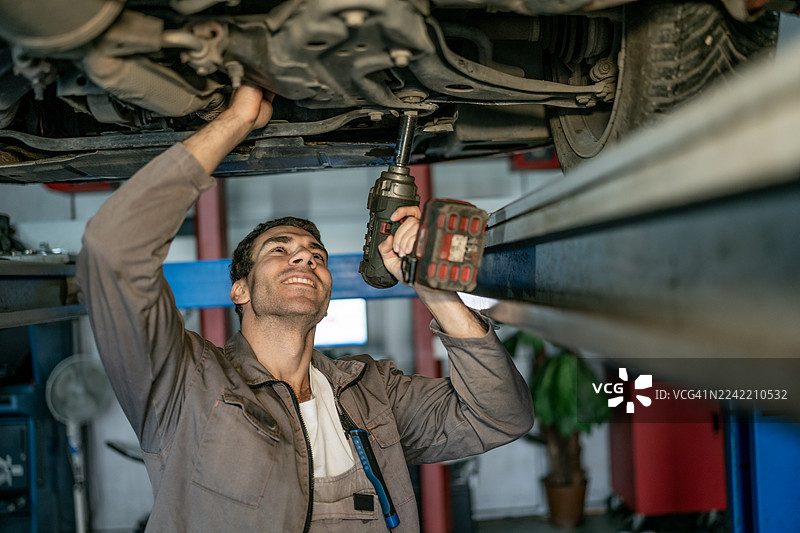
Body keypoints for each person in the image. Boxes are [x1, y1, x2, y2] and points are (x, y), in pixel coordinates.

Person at [77, 84, 534, 532]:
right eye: (280, 250)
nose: (306, 257)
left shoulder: (372, 391)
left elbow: (501, 417)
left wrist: (434, 291)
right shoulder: (184, 383)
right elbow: (114, 249)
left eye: (316, 253)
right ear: (240, 290)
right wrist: (235, 121)